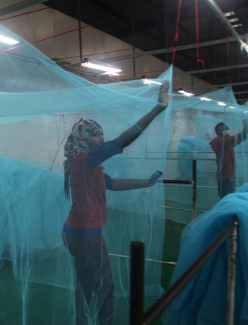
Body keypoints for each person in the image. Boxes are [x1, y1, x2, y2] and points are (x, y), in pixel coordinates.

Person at [62, 81, 170, 325]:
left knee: (86, 282)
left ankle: (81, 320)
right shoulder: (85, 159)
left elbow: (113, 184)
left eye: (101, 133)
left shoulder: (87, 165)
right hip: (84, 234)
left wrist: (146, 183)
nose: (101, 137)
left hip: (77, 232)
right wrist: (157, 109)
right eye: (97, 134)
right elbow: (122, 141)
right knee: (105, 287)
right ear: (86, 138)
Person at [210, 120, 248, 199]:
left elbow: (241, 137)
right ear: (217, 132)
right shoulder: (218, 141)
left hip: (229, 176)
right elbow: (238, 137)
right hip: (224, 177)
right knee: (226, 199)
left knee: (228, 198)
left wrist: (246, 127)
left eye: (227, 128)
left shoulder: (226, 143)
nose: (226, 131)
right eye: (223, 129)